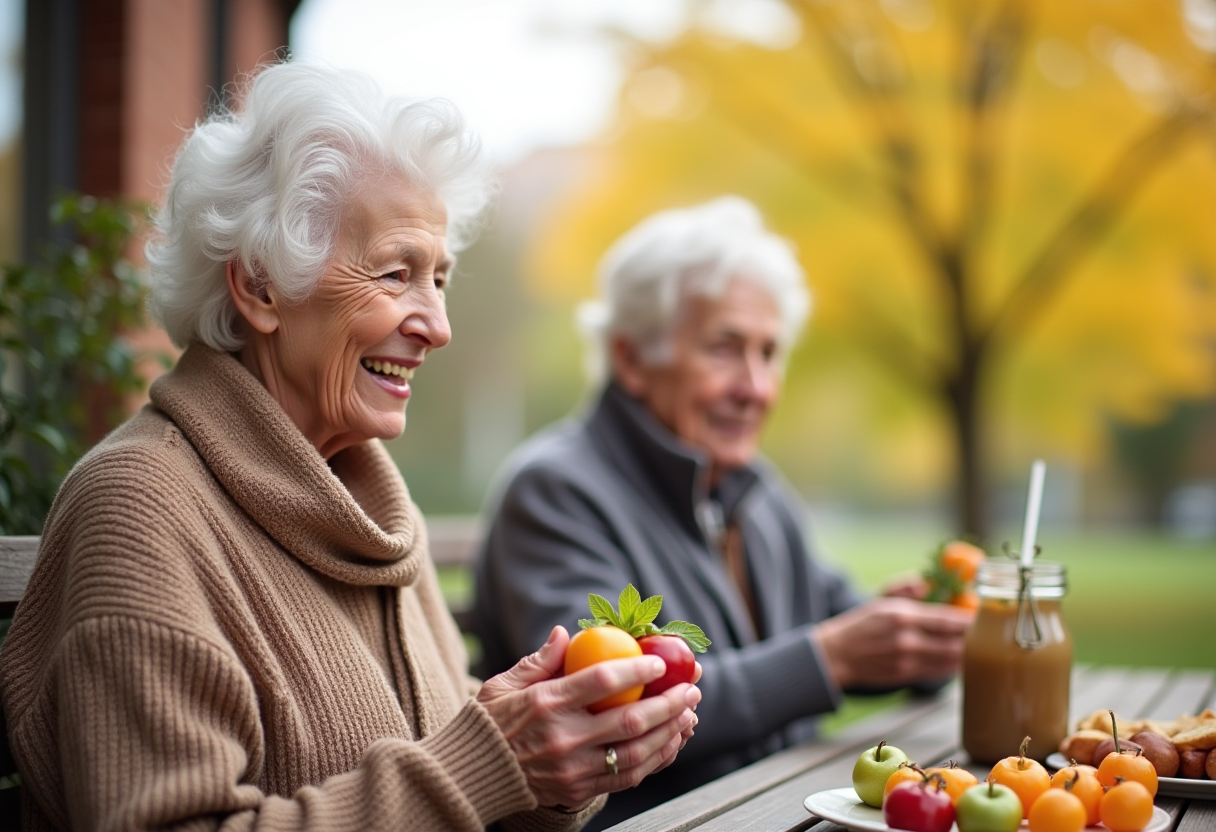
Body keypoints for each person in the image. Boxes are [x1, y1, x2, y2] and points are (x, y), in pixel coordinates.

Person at [0, 62, 701, 832]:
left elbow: (459, 775)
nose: (437, 324)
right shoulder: (137, 512)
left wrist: (554, 762)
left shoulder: (373, 506)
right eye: (397, 273)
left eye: (439, 277)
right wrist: (488, 764)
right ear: (261, 285)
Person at [473, 196, 973, 829]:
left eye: (769, 353)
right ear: (631, 359)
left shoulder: (752, 489)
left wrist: (912, 636)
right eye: (725, 348)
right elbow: (601, 712)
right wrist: (834, 657)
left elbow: (836, 618)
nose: (757, 387)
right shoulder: (553, 489)